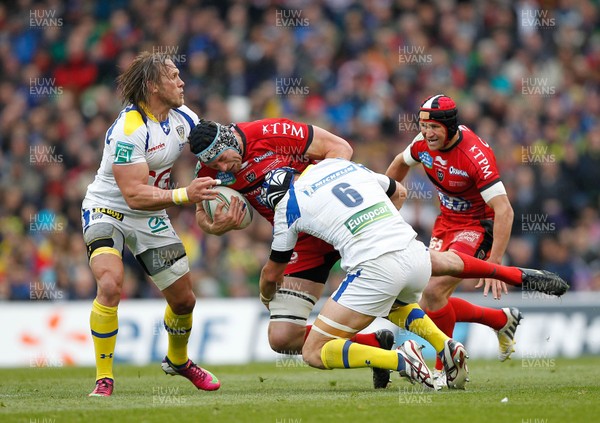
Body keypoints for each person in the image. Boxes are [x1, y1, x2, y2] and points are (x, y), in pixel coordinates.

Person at [257, 160, 567, 389]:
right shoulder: (338, 165)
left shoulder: (287, 205)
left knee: (313, 352)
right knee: (406, 295)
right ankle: (445, 342)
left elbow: (273, 273)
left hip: (375, 266)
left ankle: (400, 359)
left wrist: (266, 296)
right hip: (410, 249)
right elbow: (400, 191)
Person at [188, 117, 396, 389]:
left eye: (224, 160)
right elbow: (201, 214)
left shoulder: (268, 132)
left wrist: (316, 196)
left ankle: (442, 350)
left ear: (230, 140)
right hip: (299, 242)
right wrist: (215, 228)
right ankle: (376, 347)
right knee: (282, 338)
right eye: (216, 166)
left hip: (339, 223)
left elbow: (340, 148)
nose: (223, 168)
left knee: (403, 294)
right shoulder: (206, 170)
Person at [81, 52, 222, 397]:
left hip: (151, 216)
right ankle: (104, 377)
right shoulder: (129, 129)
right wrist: (186, 195)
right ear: (153, 86)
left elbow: (214, 150)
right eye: (173, 76)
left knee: (184, 301)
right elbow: (132, 195)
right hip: (108, 209)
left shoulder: (183, 117)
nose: (181, 81)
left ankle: (178, 361)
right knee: (111, 283)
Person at [386, 94, 524, 387]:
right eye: (424, 126)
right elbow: (400, 162)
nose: (427, 133)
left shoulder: (475, 155)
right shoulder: (423, 144)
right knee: (430, 297)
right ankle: (500, 321)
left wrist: (494, 263)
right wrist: (384, 200)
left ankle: (446, 368)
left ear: (450, 126)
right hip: (446, 223)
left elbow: (505, 210)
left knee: (434, 291)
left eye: (434, 127)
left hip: (477, 225)